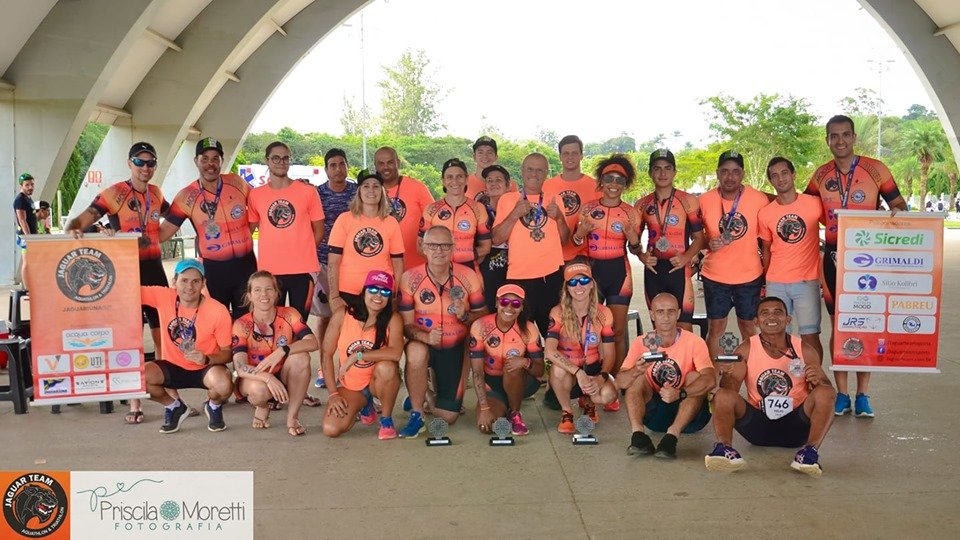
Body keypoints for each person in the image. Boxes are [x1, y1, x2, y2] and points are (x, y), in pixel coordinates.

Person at [804, 115, 907, 418]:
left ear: (853, 138)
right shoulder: (821, 175)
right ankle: (842, 393)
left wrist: (893, 216)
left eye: (845, 135)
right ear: (827, 140)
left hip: (868, 259)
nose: (840, 141)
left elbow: (899, 205)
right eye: (834, 136)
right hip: (834, 258)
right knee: (839, 325)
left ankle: (863, 394)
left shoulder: (876, 169)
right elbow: (803, 209)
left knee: (867, 324)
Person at [66, 142, 172, 424]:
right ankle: (135, 403)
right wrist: (80, 230)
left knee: (163, 338)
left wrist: (155, 238)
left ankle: (171, 399)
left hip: (155, 271)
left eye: (151, 163)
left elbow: (173, 219)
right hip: (126, 273)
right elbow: (80, 221)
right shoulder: (115, 193)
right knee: (132, 339)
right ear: (129, 163)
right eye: (140, 162)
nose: (145, 168)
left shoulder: (157, 193)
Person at [705, 296, 836, 476]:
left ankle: (809, 453)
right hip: (757, 426)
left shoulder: (805, 350)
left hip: (796, 427)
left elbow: (825, 393)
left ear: (788, 319)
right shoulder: (746, 349)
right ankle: (724, 449)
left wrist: (819, 379)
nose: (771, 317)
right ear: (756, 322)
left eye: (777, 312)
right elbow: (729, 391)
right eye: (765, 313)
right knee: (721, 395)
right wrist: (727, 374)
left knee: (826, 392)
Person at [396, 225, 486, 438]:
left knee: (448, 417)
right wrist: (426, 337)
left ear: (453, 248)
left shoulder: (468, 276)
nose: (439, 250)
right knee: (416, 351)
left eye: (445, 245)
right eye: (433, 245)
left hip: (455, 347)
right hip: (424, 342)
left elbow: (483, 315)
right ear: (424, 248)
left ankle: (424, 393)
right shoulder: (409, 278)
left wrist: (464, 315)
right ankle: (417, 414)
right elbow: (406, 326)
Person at [162, 137, 257, 319]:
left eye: (215, 158)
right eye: (204, 158)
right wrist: (126, 235)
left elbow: (261, 204)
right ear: (196, 161)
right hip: (214, 270)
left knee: (246, 320)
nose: (210, 164)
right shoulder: (186, 196)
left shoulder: (237, 182)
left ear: (222, 160)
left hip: (246, 266)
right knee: (218, 319)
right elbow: (163, 232)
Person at [140, 259, 234, 434]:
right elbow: (128, 290)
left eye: (195, 281)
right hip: (172, 366)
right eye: (184, 280)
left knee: (224, 385)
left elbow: (227, 354)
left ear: (203, 283)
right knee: (140, 378)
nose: (189, 287)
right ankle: (174, 406)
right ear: (174, 282)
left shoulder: (218, 310)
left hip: (205, 368)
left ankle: (214, 406)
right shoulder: (163, 296)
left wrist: (206, 358)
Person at [616, 293, 715, 458]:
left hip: (691, 419)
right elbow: (620, 381)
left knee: (694, 377)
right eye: (660, 312)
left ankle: (672, 437)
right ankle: (638, 436)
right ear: (652, 315)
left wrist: (680, 393)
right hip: (655, 418)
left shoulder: (694, 342)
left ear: (678, 313)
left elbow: (710, 379)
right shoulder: (642, 342)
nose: (666, 317)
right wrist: (636, 370)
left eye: (671, 311)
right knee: (636, 378)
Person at [573, 155, 642, 381]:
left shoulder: (631, 213)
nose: (614, 184)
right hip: (592, 272)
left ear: (625, 184)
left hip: (619, 273)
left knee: (617, 331)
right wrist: (580, 234)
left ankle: (615, 380)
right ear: (601, 181)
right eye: (609, 179)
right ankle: (588, 378)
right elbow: (576, 243)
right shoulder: (588, 209)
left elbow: (636, 249)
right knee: (588, 329)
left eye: (619, 180)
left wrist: (634, 240)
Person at [699, 150, 773, 359]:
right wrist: (707, 242)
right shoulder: (704, 200)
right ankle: (715, 376)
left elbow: (767, 240)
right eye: (724, 171)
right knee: (716, 328)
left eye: (735, 171)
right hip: (715, 276)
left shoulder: (759, 199)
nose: (730, 177)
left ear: (743, 174)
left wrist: (768, 274)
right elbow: (696, 238)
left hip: (749, 275)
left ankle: (751, 373)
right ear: (717, 173)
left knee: (749, 328)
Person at [491, 152, 569, 337]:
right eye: (530, 169)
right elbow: (496, 239)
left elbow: (565, 239)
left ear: (546, 173)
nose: (534, 174)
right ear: (522, 171)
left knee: (554, 336)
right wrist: (514, 215)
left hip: (550, 278)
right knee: (521, 337)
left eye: (539, 170)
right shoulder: (508, 199)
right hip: (518, 277)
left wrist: (559, 218)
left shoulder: (555, 199)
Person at [321, 270, 404, 440]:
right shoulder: (343, 314)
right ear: (364, 291)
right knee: (331, 429)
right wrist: (333, 394)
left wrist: (358, 356)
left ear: (390, 297)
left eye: (385, 292)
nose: (378, 295)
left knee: (387, 367)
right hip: (351, 385)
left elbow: (395, 353)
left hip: (378, 382)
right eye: (373, 289)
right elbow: (326, 354)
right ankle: (365, 406)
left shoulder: (393, 318)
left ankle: (386, 419)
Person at [232, 271, 317, 436]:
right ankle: (263, 406)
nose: (263, 294)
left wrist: (283, 350)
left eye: (269, 289)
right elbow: (240, 367)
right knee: (259, 390)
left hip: (283, 373)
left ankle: (292, 419)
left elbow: (313, 342)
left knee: (302, 357)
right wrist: (268, 378)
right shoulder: (241, 324)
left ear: (277, 293)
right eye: (257, 290)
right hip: (255, 378)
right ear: (249, 296)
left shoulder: (289, 314)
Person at [248, 141, 325, 322]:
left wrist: (303, 251)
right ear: (267, 160)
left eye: (285, 158)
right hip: (271, 271)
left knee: (299, 323)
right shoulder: (256, 195)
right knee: (274, 323)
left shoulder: (308, 192)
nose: (281, 162)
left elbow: (319, 231)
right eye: (276, 158)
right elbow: (248, 232)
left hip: (303, 270)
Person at [758, 157, 825, 360]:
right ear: (771, 181)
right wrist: (766, 278)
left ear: (793, 174)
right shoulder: (765, 213)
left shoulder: (814, 204)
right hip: (776, 282)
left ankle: (814, 377)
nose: (780, 179)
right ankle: (783, 376)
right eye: (775, 176)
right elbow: (766, 248)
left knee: (810, 335)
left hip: (806, 281)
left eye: (784, 173)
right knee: (776, 335)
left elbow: (836, 227)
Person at [634, 149, 706, 332]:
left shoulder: (689, 201)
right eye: (657, 168)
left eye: (667, 168)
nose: (662, 173)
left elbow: (700, 238)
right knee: (658, 328)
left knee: (684, 327)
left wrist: (686, 257)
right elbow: (633, 243)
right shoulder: (642, 204)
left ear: (674, 172)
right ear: (650, 173)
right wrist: (642, 256)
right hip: (653, 271)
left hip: (679, 269)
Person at [544, 261, 618, 433]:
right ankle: (567, 412)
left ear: (592, 284)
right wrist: (578, 373)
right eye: (572, 282)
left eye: (584, 281)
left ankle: (589, 403)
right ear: (567, 288)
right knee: (558, 369)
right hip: (569, 371)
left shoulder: (604, 313)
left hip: (593, 368)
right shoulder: (557, 312)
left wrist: (601, 377)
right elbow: (549, 351)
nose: (579, 286)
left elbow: (609, 354)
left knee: (608, 395)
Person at [469, 284, 544, 436]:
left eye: (516, 303)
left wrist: (524, 362)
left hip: (521, 381)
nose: (509, 307)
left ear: (522, 307)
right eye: (504, 302)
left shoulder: (529, 329)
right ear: (497, 303)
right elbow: (477, 372)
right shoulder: (480, 325)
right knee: (487, 427)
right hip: (492, 383)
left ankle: (515, 414)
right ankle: (503, 406)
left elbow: (540, 371)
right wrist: (484, 408)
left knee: (512, 366)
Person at [327, 170, 405, 312]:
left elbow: (398, 263)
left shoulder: (391, 222)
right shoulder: (344, 219)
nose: (371, 190)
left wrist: (396, 296)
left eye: (376, 186)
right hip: (348, 290)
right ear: (359, 192)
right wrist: (334, 296)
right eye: (366, 186)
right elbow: (333, 262)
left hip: (380, 291)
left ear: (382, 192)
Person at [312, 148, 357, 388]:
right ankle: (324, 365)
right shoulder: (317, 194)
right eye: (333, 165)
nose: (338, 169)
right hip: (323, 263)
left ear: (347, 166)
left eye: (342, 164)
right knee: (325, 317)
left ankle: (349, 366)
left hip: (354, 264)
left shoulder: (358, 192)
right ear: (326, 169)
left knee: (353, 317)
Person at [419, 158, 491, 269]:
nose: (455, 181)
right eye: (449, 177)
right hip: (437, 271)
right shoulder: (431, 209)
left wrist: (461, 261)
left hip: (469, 269)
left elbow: (486, 247)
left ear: (466, 179)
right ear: (443, 180)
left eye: (459, 176)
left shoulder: (478, 208)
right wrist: (442, 263)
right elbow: (420, 246)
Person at [375, 146, 435, 269]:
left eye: (390, 162)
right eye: (381, 163)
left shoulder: (417, 187)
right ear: (375, 166)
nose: (386, 167)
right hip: (384, 269)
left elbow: (435, 219)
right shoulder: (371, 192)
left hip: (417, 266)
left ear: (398, 163)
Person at [544, 135, 599, 263]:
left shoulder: (596, 186)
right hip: (552, 255)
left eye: (574, 153)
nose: (570, 157)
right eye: (566, 153)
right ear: (560, 157)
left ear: (581, 155)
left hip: (584, 256)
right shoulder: (546, 185)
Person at [477, 165, 511, 312]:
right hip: (488, 273)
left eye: (498, 180)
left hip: (514, 272)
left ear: (508, 186)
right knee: (489, 312)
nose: (493, 183)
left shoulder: (518, 210)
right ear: (485, 187)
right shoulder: (479, 212)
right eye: (489, 180)